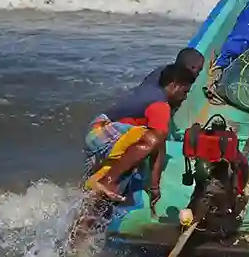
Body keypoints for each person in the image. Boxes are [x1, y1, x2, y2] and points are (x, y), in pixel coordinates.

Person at [83, 63, 196, 209]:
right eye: (185, 92)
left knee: (97, 202)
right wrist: (155, 187)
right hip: (103, 134)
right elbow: (156, 140)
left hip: (98, 131)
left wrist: (154, 185)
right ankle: (108, 181)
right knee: (152, 139)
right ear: (174, 86)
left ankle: (86, 214)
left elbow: (159, 143)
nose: (185, 97)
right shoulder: (160, 105)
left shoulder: (152, 89)